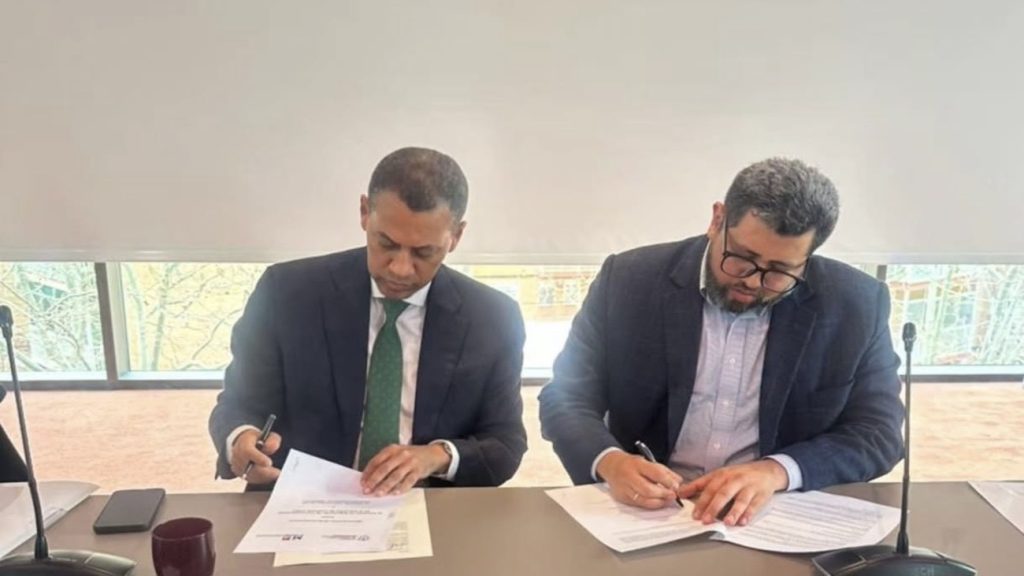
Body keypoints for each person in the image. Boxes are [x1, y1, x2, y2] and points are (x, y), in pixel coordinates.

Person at [539, 158, 904, 527]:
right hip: (649, 511)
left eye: (780, 271)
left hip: (773, 513)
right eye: (742, 258)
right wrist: (611, 462)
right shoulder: (629, 280)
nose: (753, 281)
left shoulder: (855, 304)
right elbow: (565, 397)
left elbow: (878, 433)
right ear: (717, 220)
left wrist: (777, 471)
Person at [210, 147, 527, 495]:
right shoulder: (286, 293)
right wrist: (240, 440)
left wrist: (437, 456)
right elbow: (238, 404)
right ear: (364, 213)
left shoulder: (492, 319)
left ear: (456, 236)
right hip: (301, 501)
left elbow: (505, 444)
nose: (400, 269)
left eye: (424, 252)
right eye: (386, 243)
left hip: (428, 506)